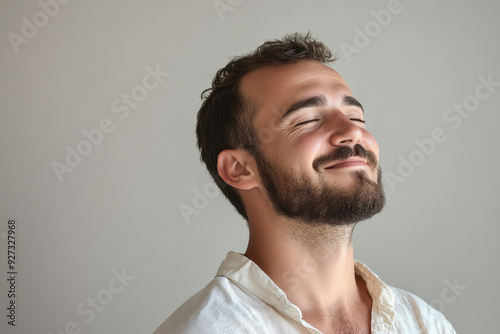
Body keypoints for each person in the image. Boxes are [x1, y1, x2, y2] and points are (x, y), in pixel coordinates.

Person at [154, 32, 456, 333]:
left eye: (356, 117)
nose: (351, 132)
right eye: (308, 120)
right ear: (239, 169)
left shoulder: (423, 323)